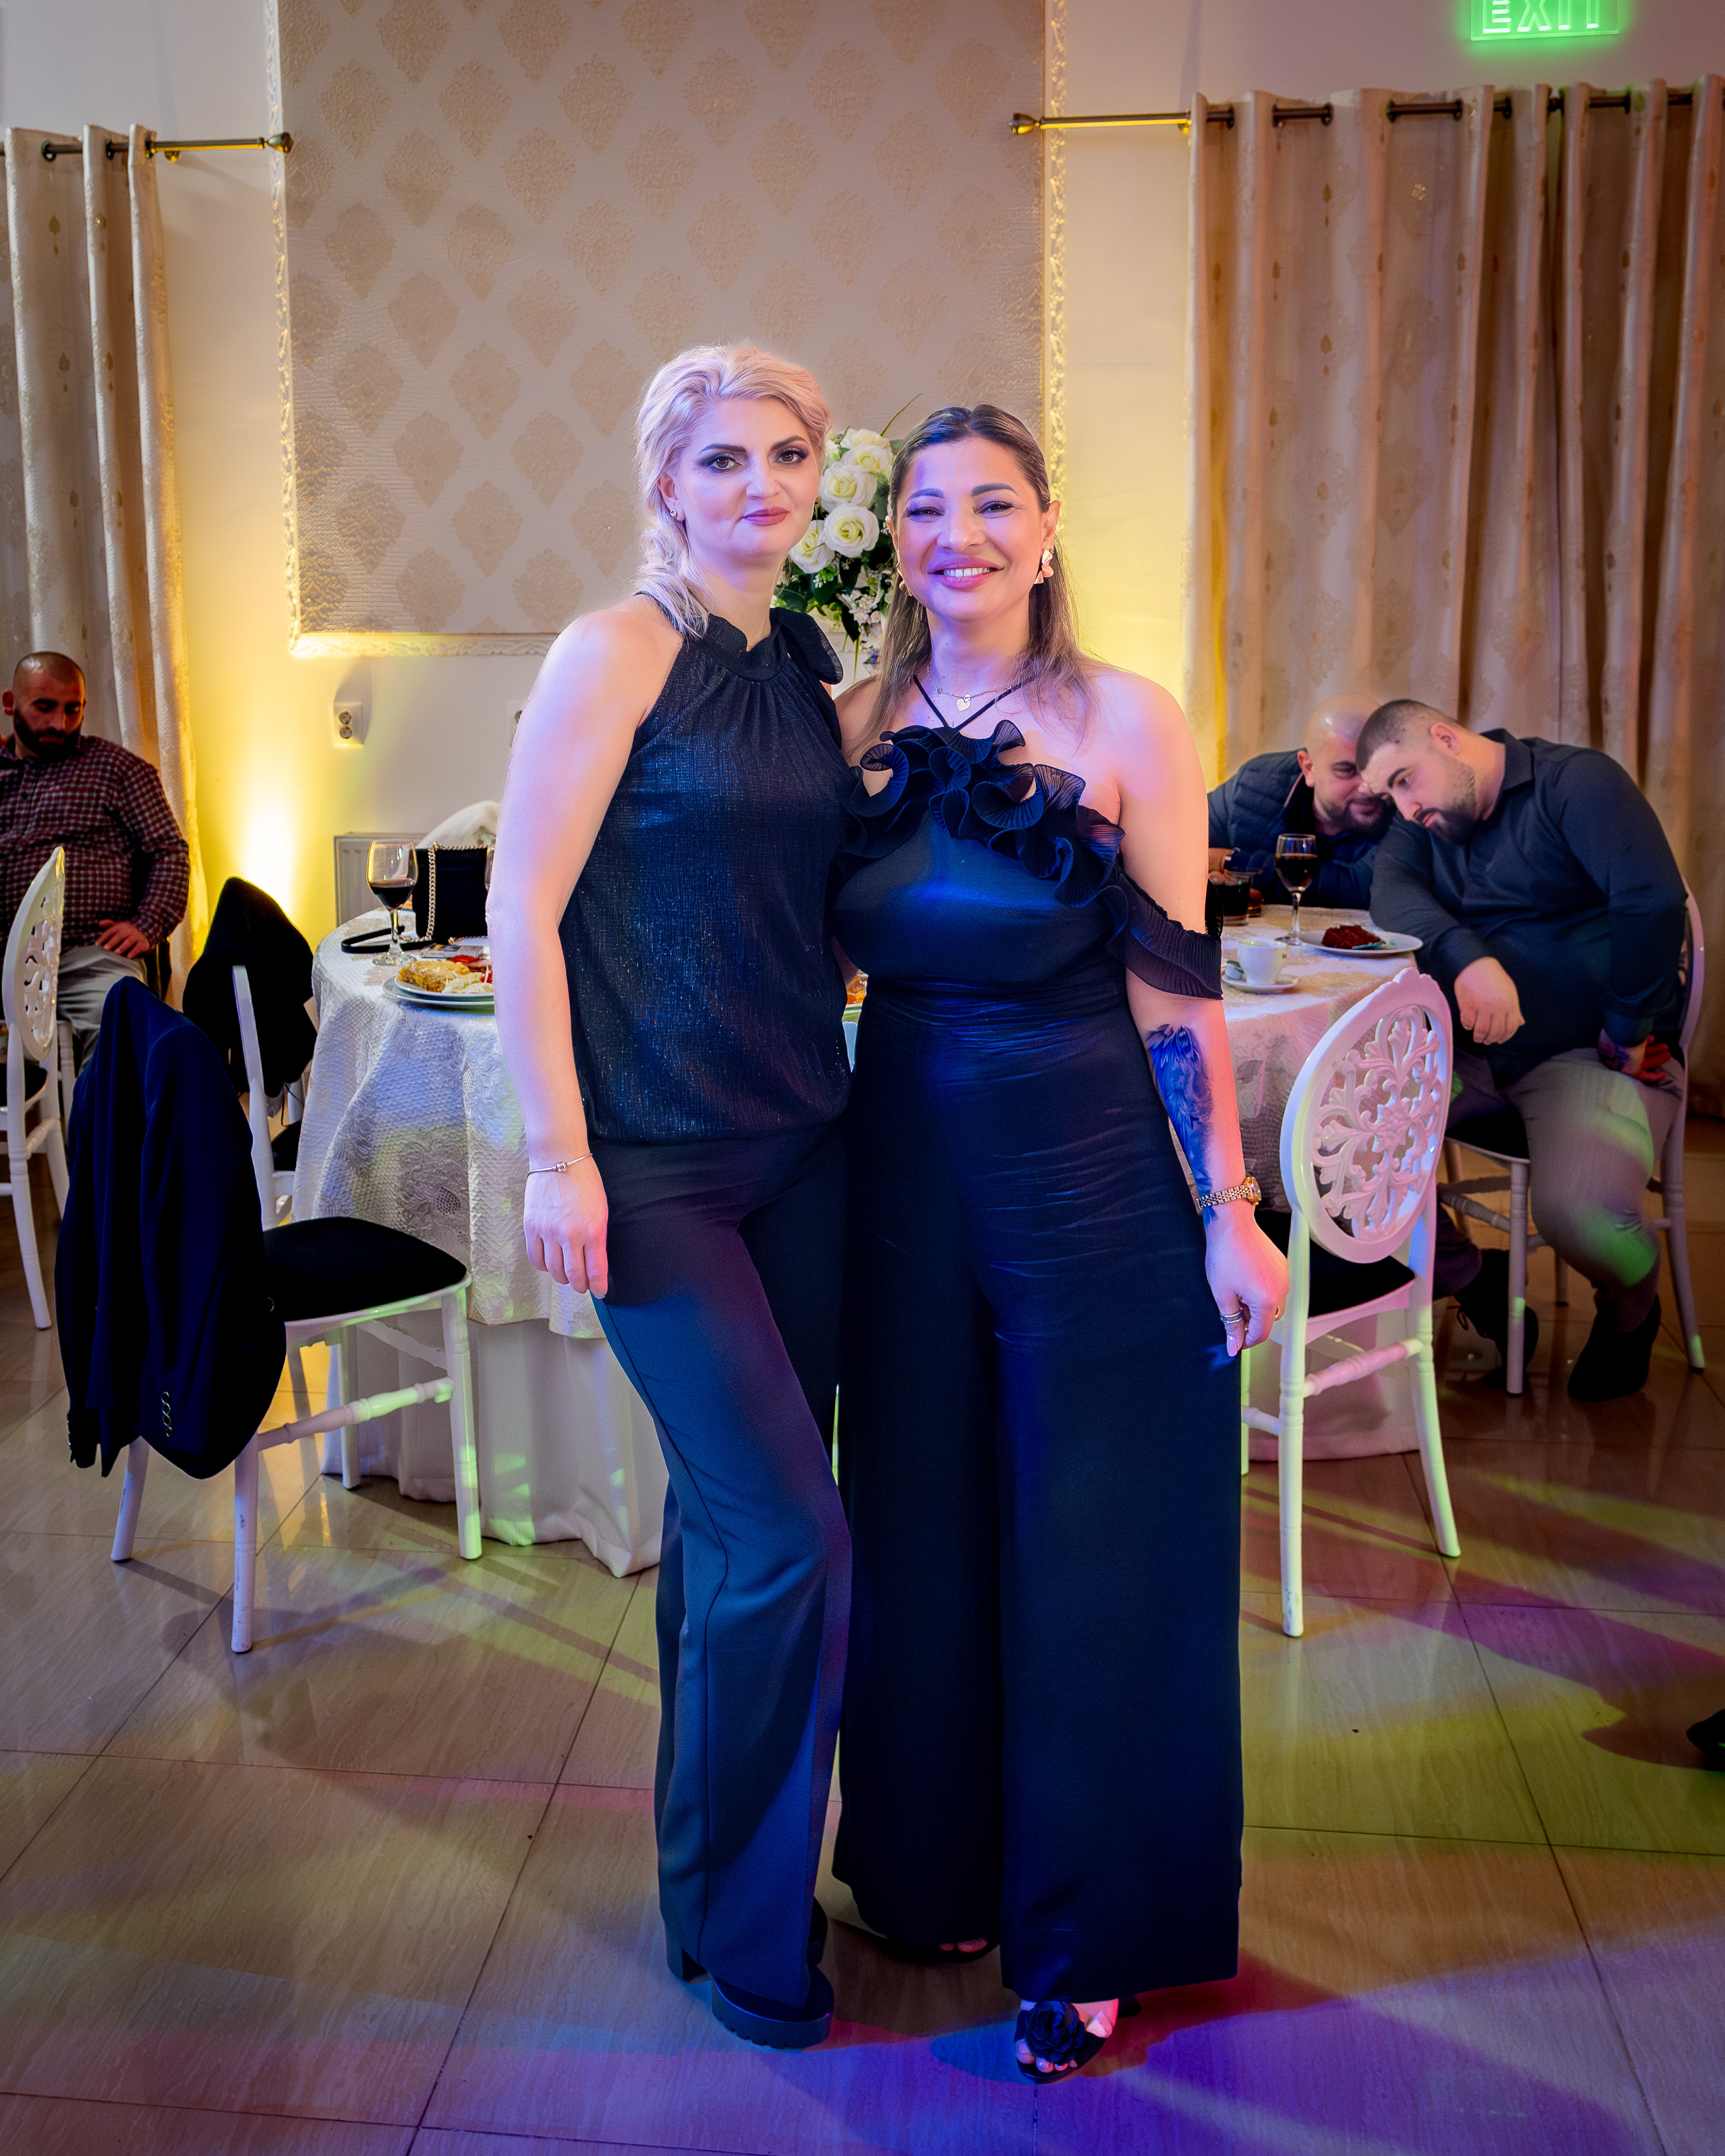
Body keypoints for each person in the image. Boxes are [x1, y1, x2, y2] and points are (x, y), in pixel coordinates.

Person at [830, 405, 1287, 2083]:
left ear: (1043, 530)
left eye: (991, 503)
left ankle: (1093, 1939)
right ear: (894, 542)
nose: (955, 533)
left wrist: (1226, 1208)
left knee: (1095, 1541)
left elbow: (1175, 984)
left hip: (1083, 1167)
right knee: (919, 1529)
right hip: (898, 1170)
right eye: (923, 507)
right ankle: (936, 1869)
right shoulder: (849, 720)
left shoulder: (1126, 717)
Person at [488, 345, 852, 2051]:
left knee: (731, 1538)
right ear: (664, 483)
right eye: (721, 459)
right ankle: (753, 1926)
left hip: (805, 1145)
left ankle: (713, 1902)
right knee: (786, 1537)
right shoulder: (615, 647)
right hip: (652, 1164)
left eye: (785, 455)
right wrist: (556, 1153)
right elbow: (520, 912)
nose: (757, 485)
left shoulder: (807, 657)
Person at [1358, 700, 1688, 1402]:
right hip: (1464, 1062)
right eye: (1390, 794)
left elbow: (1650, 899)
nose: (1404, 808)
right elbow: (1392, 893)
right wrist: (1468, 959)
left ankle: (1632, 1309)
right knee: (1333, 1147)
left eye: (1405, 780)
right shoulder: (1424, 824)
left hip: (1585, 1055)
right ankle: (1473, 1279)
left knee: (1583, 1216)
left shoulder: (1574, 782)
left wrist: (1629, 1029)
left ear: (1445, 739)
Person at [0, 652, 189, 1061]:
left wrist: (147, 923)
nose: (60, 723)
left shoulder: (118, 770)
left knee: (118, 1026)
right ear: (11, 703)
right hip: (3, 959)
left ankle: (99, 1109)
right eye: (45, 707)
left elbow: (169, 851)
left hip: (86, 955)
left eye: (73, 710)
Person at [1207, 692, 1390, 906]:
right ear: (1309, 768)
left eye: (1378, 767)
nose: (1368, 787)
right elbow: (1183, 843)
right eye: (1346, 771)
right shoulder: (1256, 784)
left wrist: (1228, 862)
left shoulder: (1408, 801)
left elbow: (1364, 889)